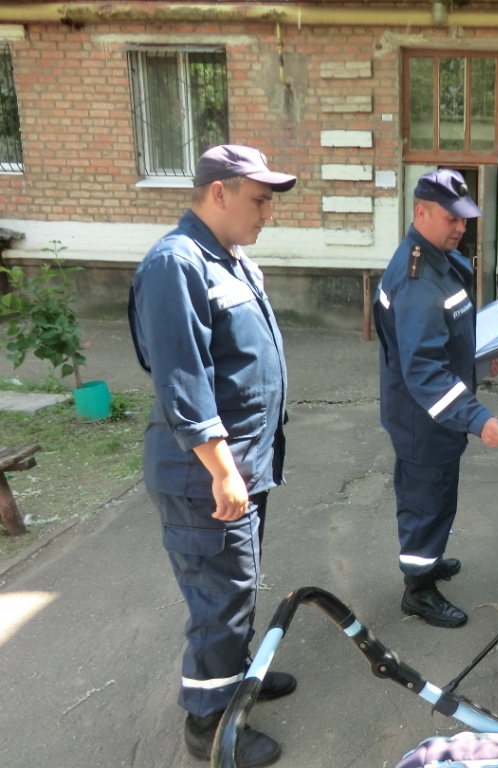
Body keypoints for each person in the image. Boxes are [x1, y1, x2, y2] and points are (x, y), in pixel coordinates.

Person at [128, 145, 296, 767]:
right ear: (219, 192)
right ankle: (209, 726)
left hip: (242, 466)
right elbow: (183, 380)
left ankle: (239, 681)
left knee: (238, 585)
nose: (266, 214)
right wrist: (222, 469)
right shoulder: (176, 264)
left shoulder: (229, 259)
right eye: (259, 201)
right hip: (206, 475)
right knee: (218, 602)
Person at [375, 168, 498, 629]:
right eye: (451, 218)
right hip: (424, 416)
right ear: (421, 212)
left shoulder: (440, 260)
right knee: (424, 500)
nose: (460, 227)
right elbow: (423, 369)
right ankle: (418, 589)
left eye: (465, 219)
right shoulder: (418, 278)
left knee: (438, 496)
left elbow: (443, 339)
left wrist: (478, 360)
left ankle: (429, 560)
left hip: (437, 412)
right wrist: (477, 418)